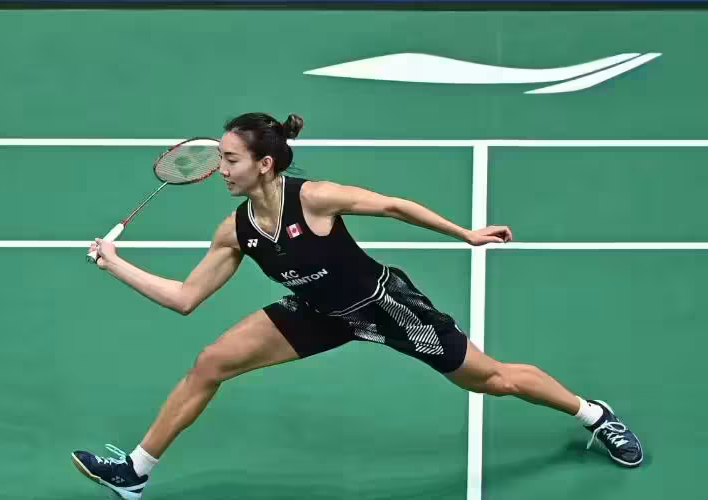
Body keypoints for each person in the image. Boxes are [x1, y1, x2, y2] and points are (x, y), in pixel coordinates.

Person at [71, 113, 642, 500]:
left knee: (491, 379)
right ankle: (135, 472)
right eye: (220, 159)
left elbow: (392, 206)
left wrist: (464, 233)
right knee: (209, 363)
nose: (220, 169)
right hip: (318, 312)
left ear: (264, 164)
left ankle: (594, 415)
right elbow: (185, 299)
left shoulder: (315, 199)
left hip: (384, 305)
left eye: (230, 159)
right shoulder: (235, 231)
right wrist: (116, 263)